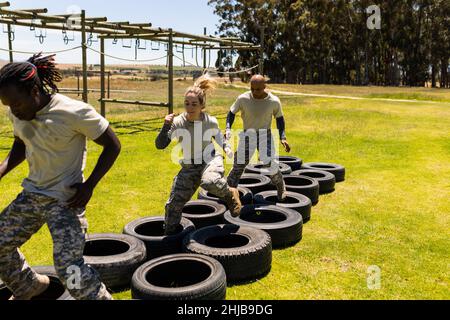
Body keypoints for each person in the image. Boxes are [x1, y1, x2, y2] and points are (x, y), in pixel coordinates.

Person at [0, 54, 121, 300]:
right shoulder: (19, 112)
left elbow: (113, 145)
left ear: (34, 90)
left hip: (66, 200)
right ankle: (29, 287)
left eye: (17, 104)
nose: (13, 111)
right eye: (8, 106)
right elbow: (21, 143)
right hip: (33, 195)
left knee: (69, 270)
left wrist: (90, 186)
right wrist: (2, 169)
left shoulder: (73, 112)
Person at [156, 76, 242, 235]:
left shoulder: (210, 121)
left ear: (202, 105)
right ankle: (170, 236)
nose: (189, 107)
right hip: (190, 165)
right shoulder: (178, 122)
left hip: (210, 160)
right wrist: (166, 125)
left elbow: (219, 139)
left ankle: (231, 193)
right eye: (187, 103)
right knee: (173, 204)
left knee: (209, 181)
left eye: (194, 104)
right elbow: (160, 145)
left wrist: (227, 149)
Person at [226, 74, 291, 200]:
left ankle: (280, 186)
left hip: (264, 135)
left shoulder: (274, 101)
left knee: (269, 163)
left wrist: (283, 137)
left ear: (264, 86)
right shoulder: (243, 98)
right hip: (247, 135)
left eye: (258, 89)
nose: (255, 92)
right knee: (239, 165)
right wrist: (228, 128)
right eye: (252, 89)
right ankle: (228, 192)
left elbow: (280, 119)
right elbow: (231, 113)